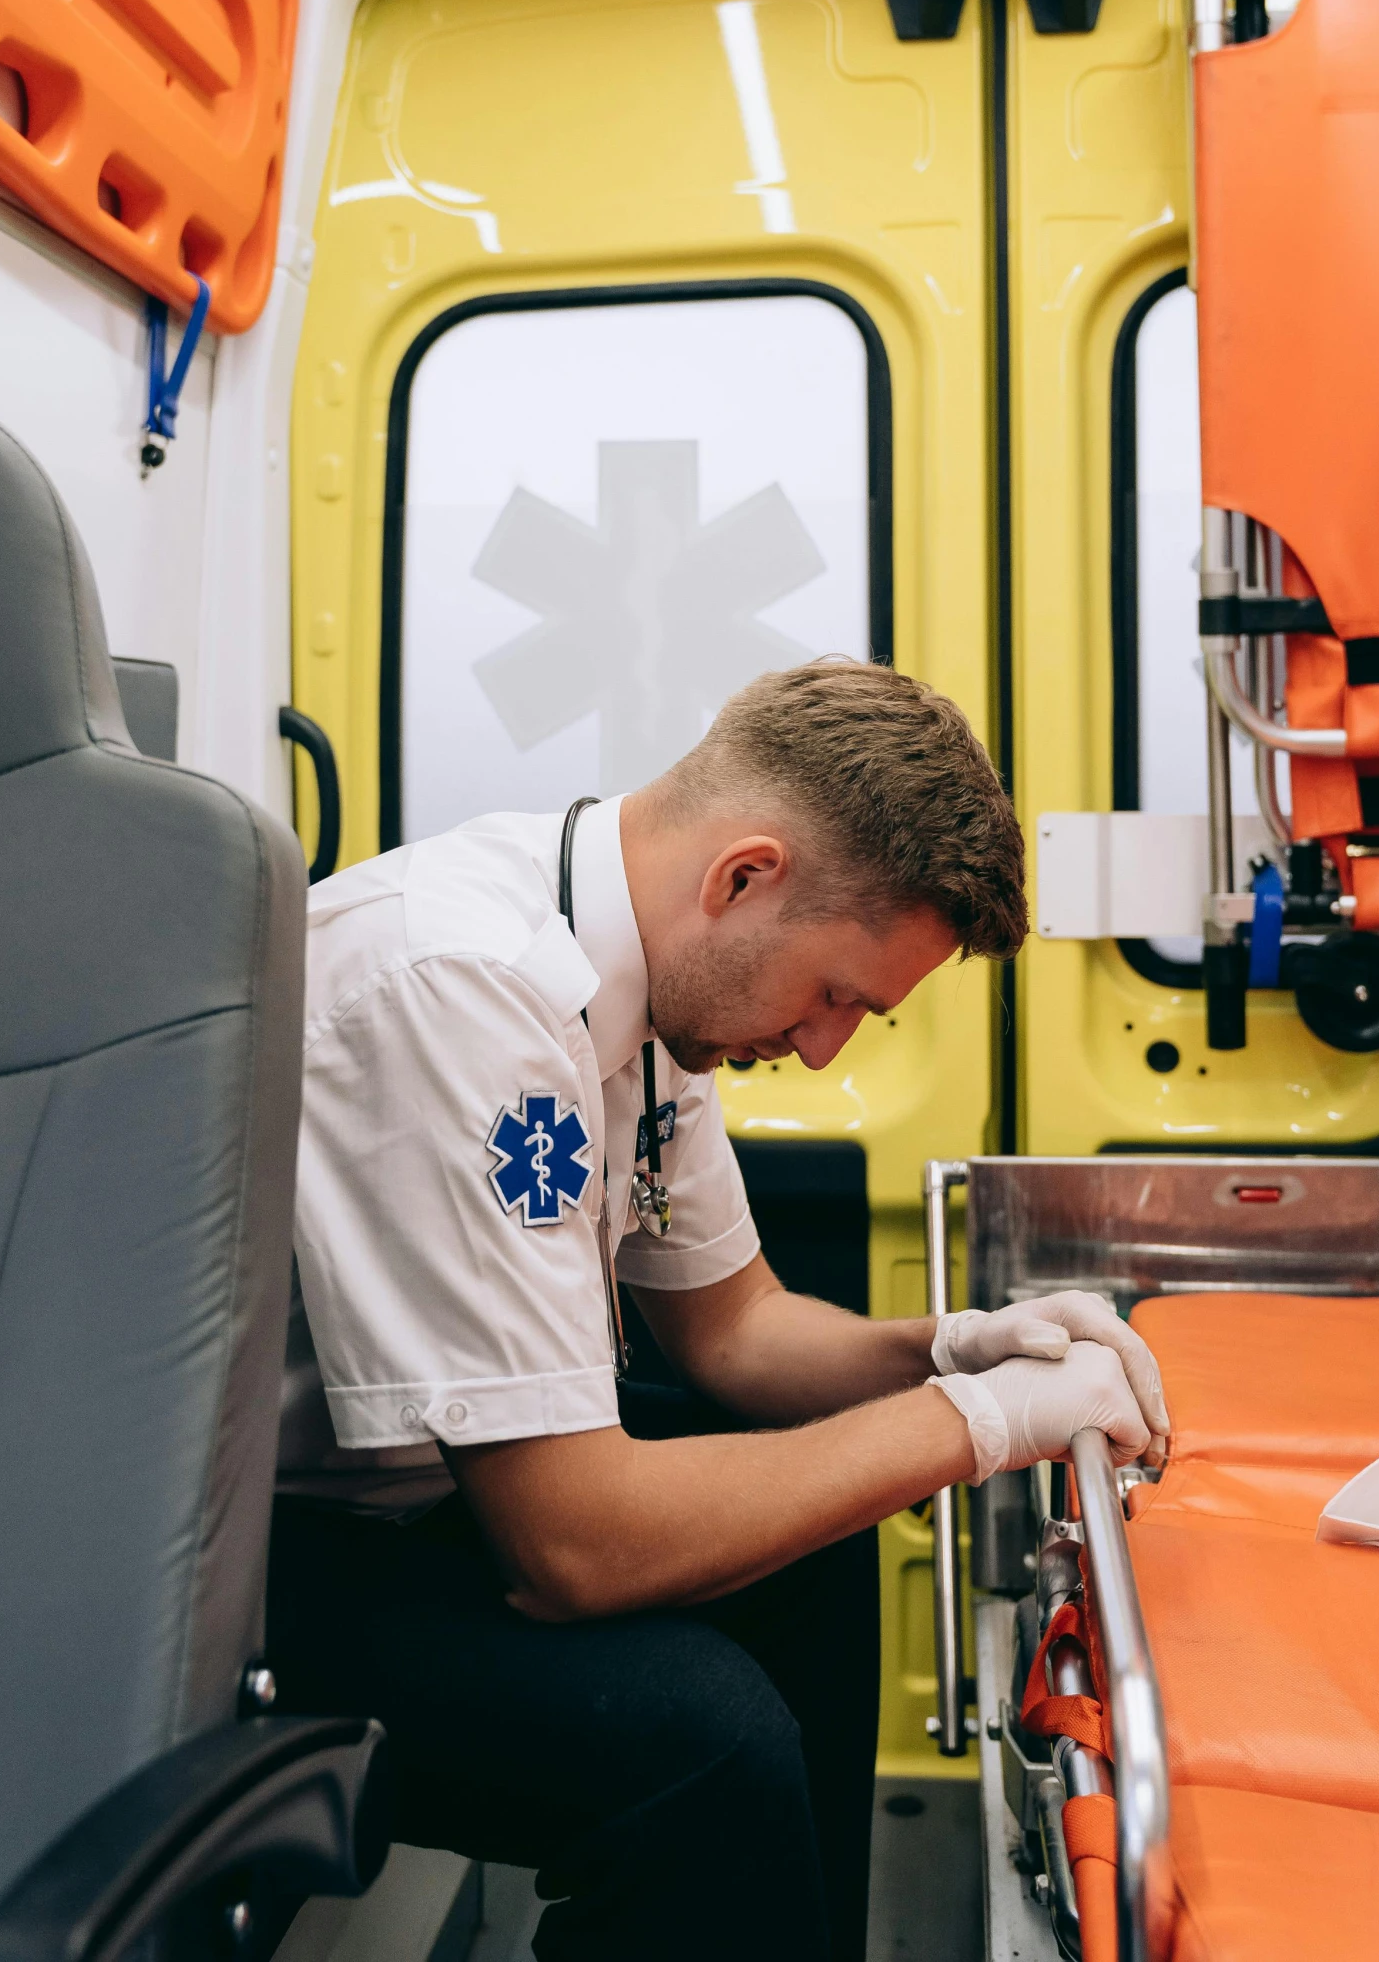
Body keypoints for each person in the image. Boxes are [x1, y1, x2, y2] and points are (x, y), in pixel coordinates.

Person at [269, 660, 1167, 1962]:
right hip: (255, 1560)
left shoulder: (644, 999)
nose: (822, 1048)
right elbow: (573, 1552)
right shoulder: (466, 984)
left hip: (408, 1480)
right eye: (836, 994)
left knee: (811, 1544)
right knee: (702, 1746)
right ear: (743, 876)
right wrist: (977, 1425)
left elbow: (736, 1335)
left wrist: (956, 1347)